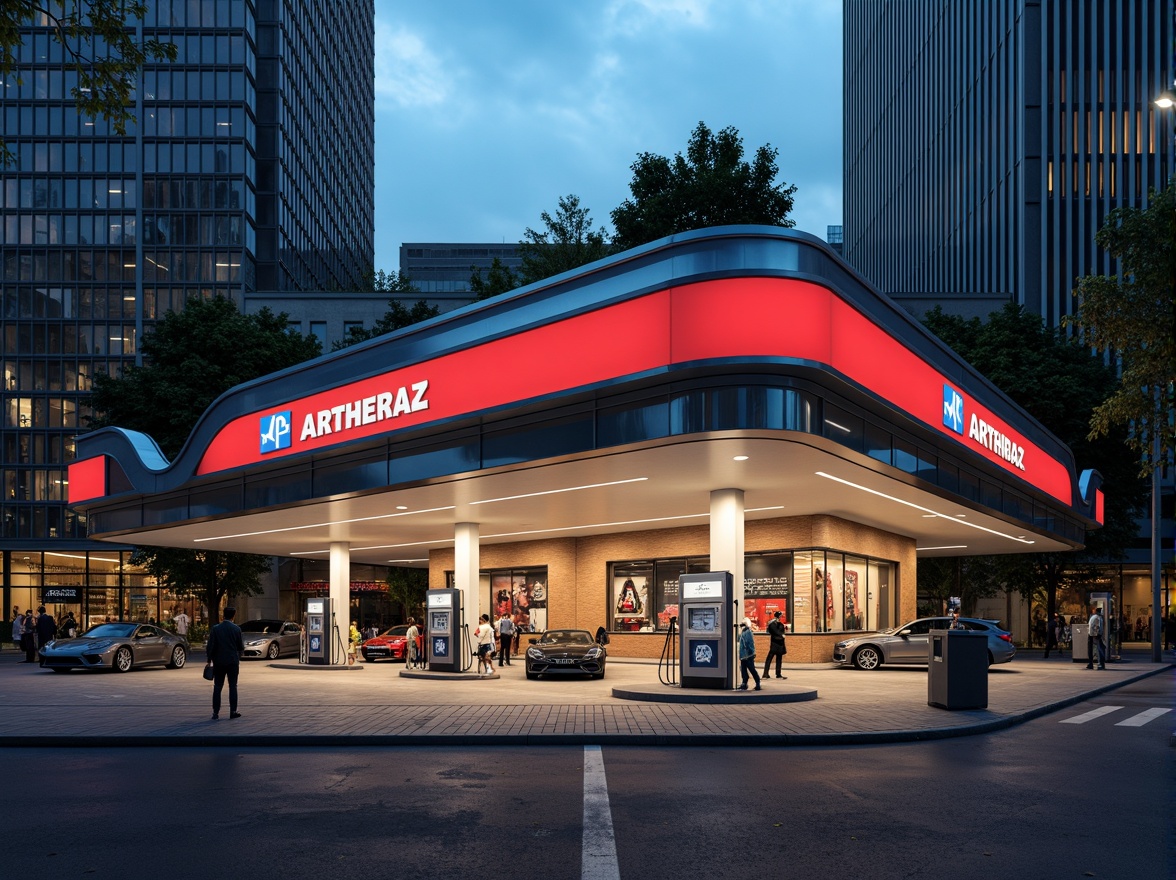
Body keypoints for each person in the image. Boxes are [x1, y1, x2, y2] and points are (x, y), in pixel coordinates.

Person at [205, 606, 245, 720]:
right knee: (233, 686)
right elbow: (240, 647)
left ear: (223, 615)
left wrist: (209, 659)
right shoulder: (236, 629)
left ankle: (215, 713)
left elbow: (211, 645)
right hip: (232, 661)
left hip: (219, 661)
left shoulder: (216, 629)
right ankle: (233, 711)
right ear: (234, 615)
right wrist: (238, 657)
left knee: (217, 686)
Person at [762, 610, 788, 679]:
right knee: (772, 659)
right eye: (780, 616)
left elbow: (778, 633)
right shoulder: (774, 624)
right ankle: (768, 674)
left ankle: (775, 673)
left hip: (777, 644)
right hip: (776, 644)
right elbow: (778, 633)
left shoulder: (777, 624)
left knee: (774, 659)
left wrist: (781, 636)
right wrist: (781, 636)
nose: (780, 617)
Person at [737, 619, 761, 691]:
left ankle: (757, 683)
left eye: (743, 625)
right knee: (743, 670)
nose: (742, 627)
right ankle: (744, 683)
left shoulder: (748, 632)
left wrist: (752, 653)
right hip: (744, 655)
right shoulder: (744, 632)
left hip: (748, 655)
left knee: (752, 669)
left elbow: (750, 644)